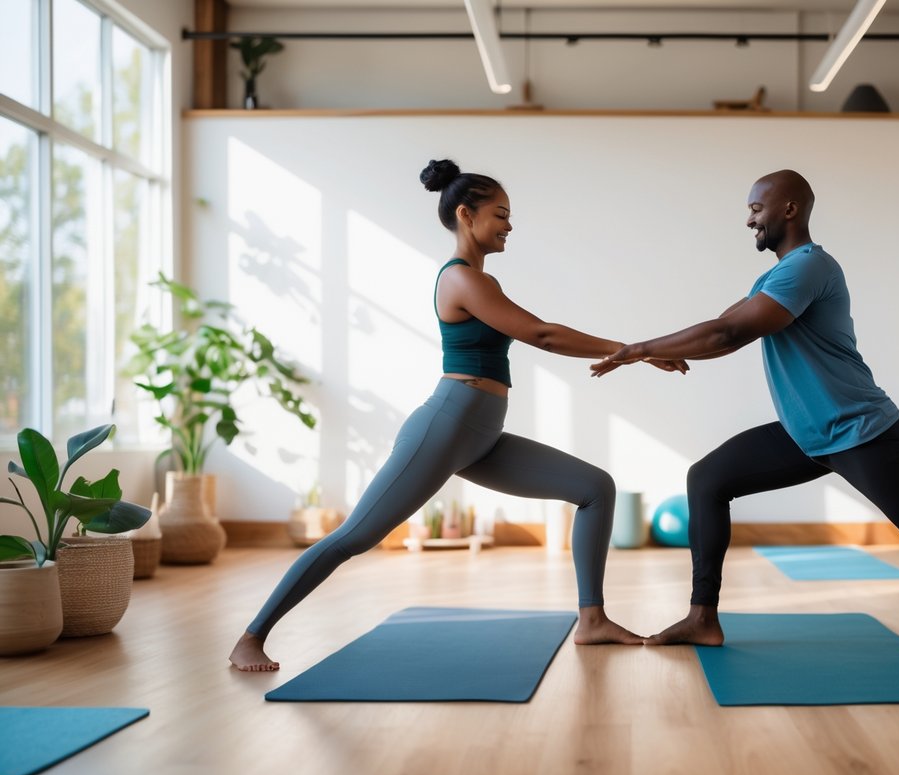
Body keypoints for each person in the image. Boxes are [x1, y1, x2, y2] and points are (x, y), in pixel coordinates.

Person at [591, 169, 899, 677]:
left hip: (862, 431)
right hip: (807, 434)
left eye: (756, 207)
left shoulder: (810, 267)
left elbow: (729, 333)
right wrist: (656, 353)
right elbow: (721, 327)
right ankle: (702, 617)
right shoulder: (774, 277)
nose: (748, 218)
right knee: (707, 478)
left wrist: (640, 350)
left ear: (789, 209)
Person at [230, 159, 686, 671]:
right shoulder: (462, 280)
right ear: (466, 215)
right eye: (500, 214)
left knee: (595, 488)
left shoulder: (480, 282)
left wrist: (635, 350)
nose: (510, 225)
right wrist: (635, 350)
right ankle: (252, 636)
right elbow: (541, 333)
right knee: (355, 537)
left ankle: (592, 619)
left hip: (481, 434)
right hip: (445, 426)